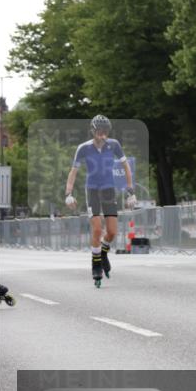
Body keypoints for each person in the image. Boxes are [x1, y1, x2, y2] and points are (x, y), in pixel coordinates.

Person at [64, 115, 136, 287]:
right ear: (93, 131)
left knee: (111, 232)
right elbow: (73, 172)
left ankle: (103, 252)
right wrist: (68, 193)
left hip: (109, 190)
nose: (103, 135)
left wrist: (130, 190)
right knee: (97, 229)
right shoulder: (83, 148)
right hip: (92, 191)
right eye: (99, 131)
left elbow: (126, 166)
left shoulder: (114, 145)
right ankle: (96, 263)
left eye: (106, 132)